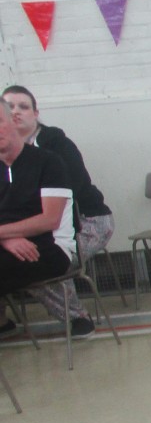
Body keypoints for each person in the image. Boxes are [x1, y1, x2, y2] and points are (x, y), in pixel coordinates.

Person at [2, 85, 113, 338]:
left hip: (86, 221)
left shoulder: (55, 149)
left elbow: (57, 208)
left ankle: (76, 316)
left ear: (36, 113)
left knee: (35, 257)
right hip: (25, 226)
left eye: (23, 107)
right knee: (16, 251)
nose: (15, 112)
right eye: (9, 107)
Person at [0, 101, 75, 314]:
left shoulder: (48, 162)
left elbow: (50, 219)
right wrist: (6, 239)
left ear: (14, 121)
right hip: (7, 244)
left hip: (49, 246)